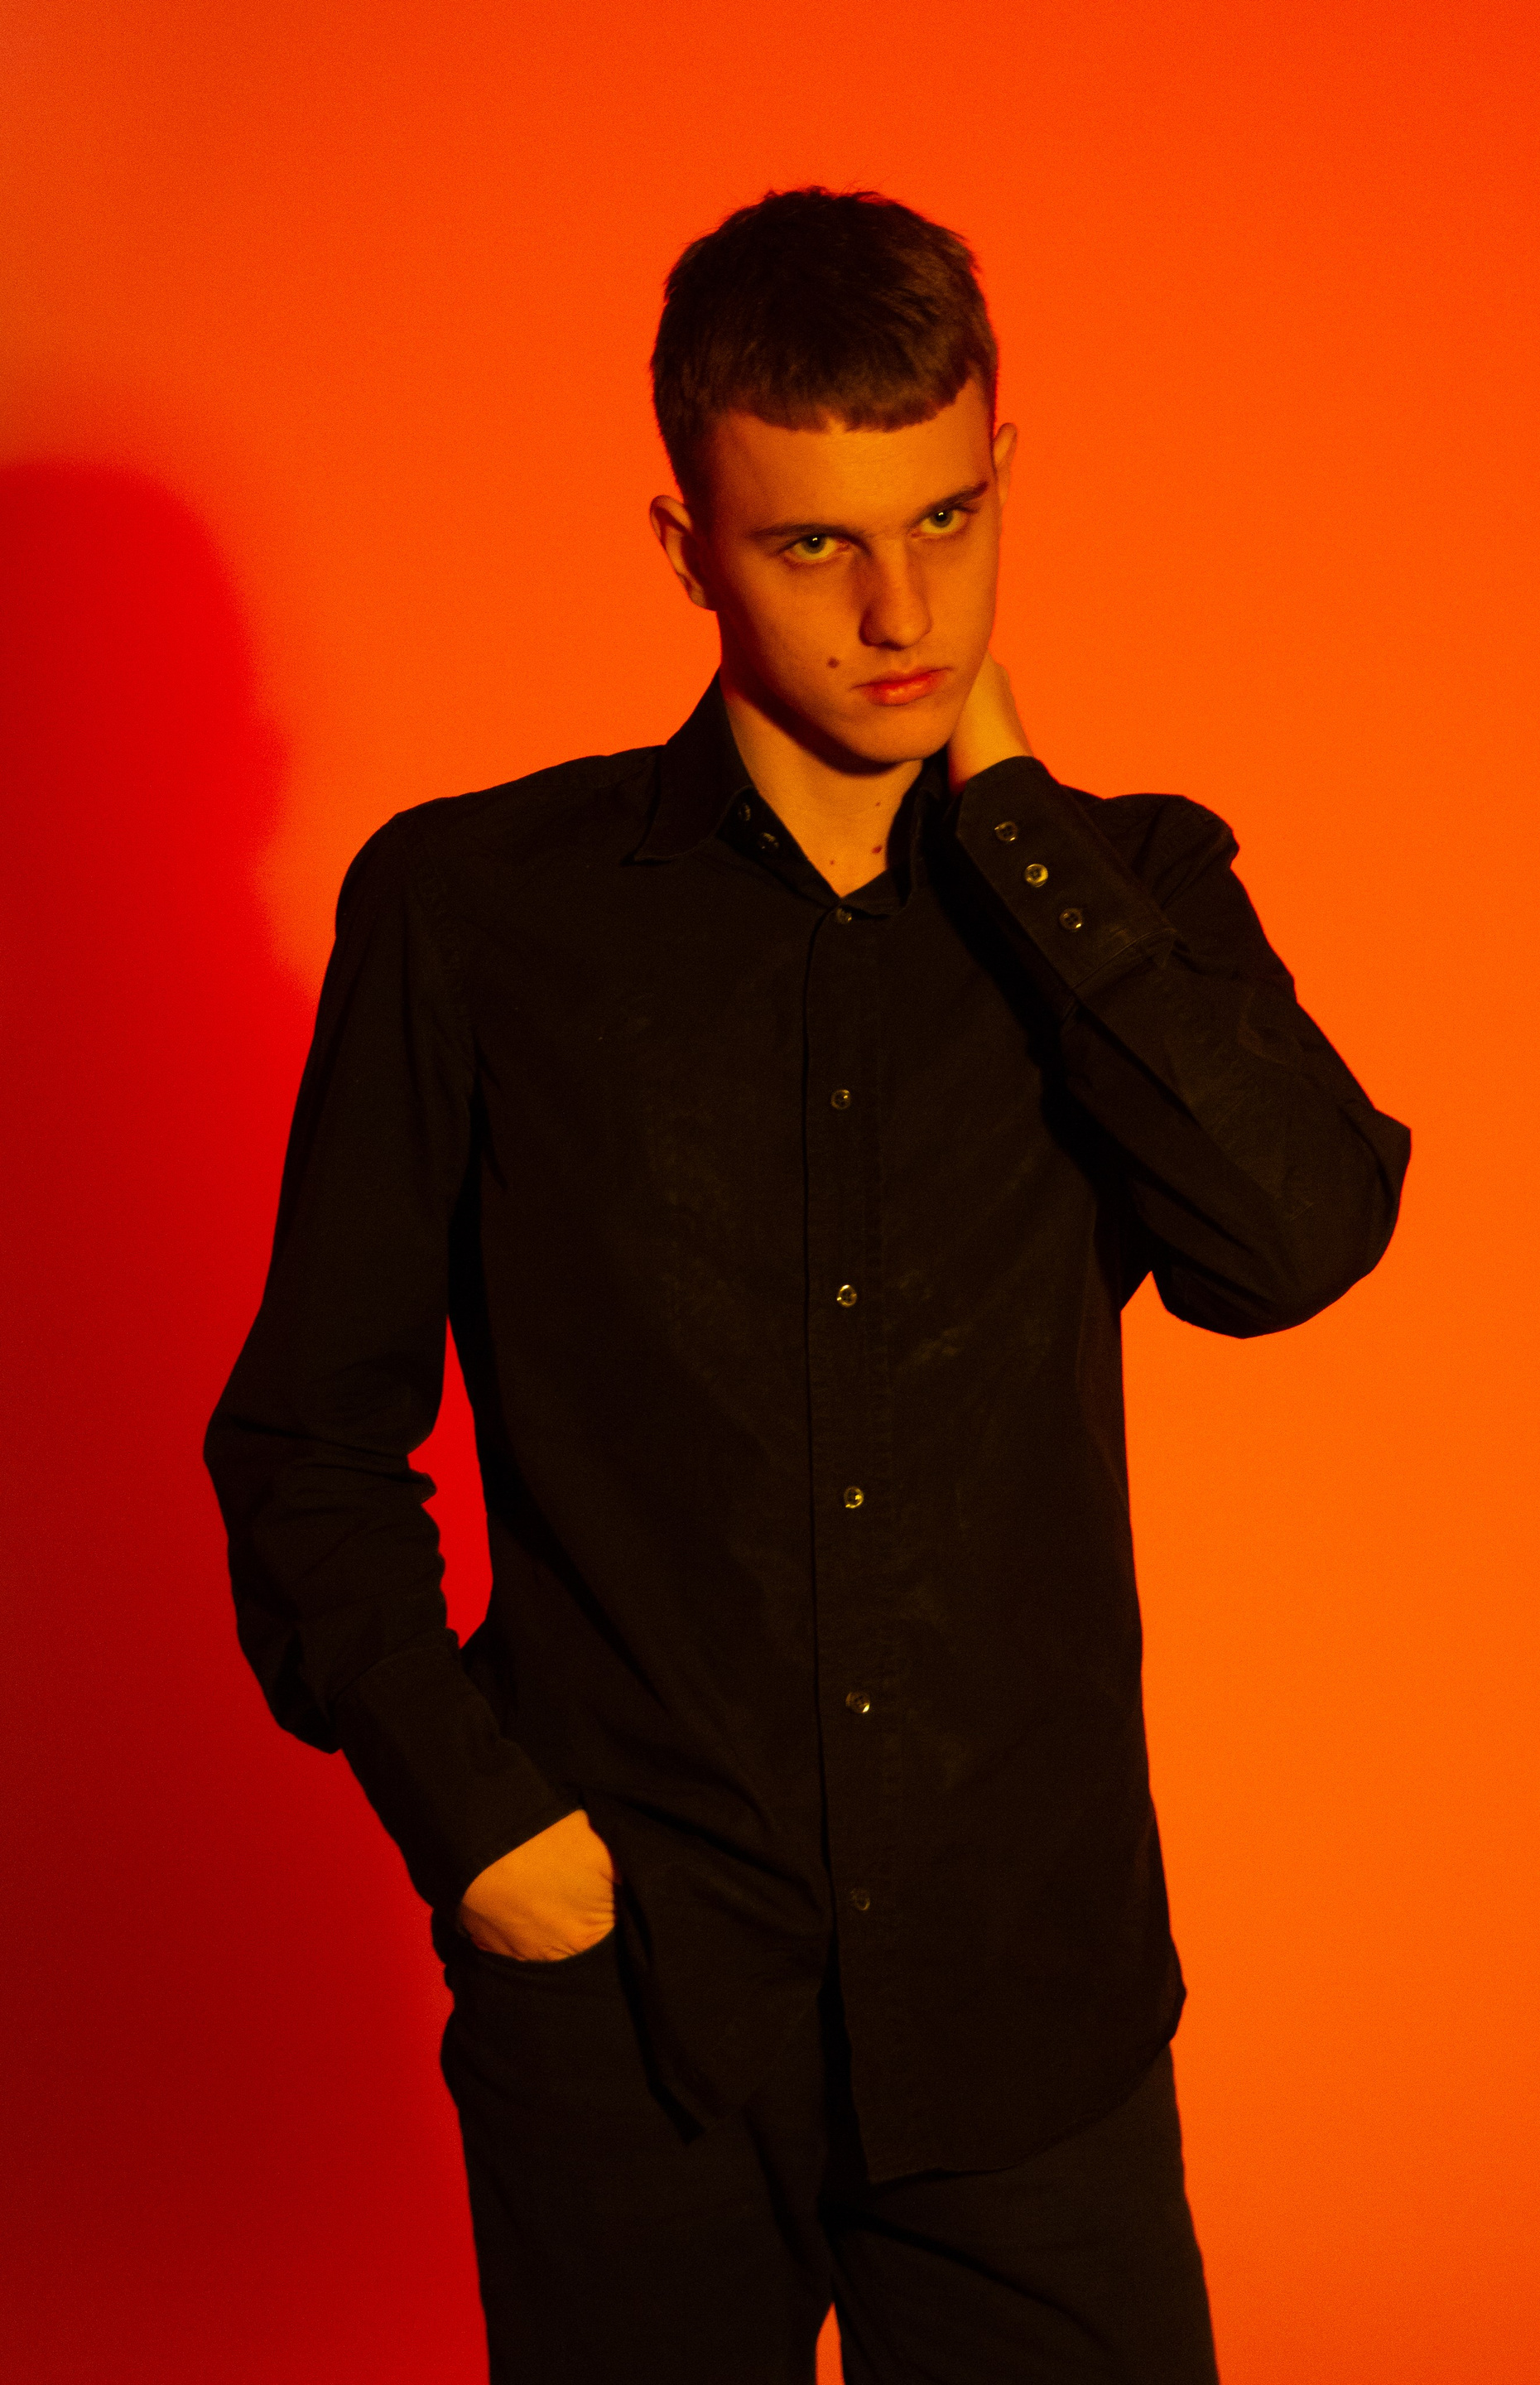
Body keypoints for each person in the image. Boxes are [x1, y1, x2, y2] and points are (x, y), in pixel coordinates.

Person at [205, 187, 1409, 2383]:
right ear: (687, 545)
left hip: (1028, 2024)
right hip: (636, 2021)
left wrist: (1017, 827)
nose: (902, 611)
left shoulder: (1125, 888)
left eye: (948, 519)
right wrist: (484, 1827)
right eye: (813, 545)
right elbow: (305, 1439)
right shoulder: (476, 914)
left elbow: (1297, 1243)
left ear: (1005, 470)